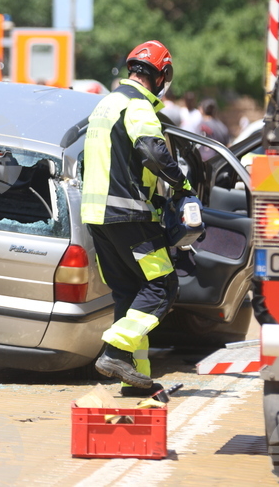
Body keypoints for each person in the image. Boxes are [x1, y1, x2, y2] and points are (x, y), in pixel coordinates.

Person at [81, 40, 199, 395]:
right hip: (128, 214)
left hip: (98, 216)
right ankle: (115, 351)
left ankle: (133, 377)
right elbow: (152, 150)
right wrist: (183, 187)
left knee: (130, 294)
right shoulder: (137, 105)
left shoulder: (106, 105)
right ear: (161, 75)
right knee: (162, 285)